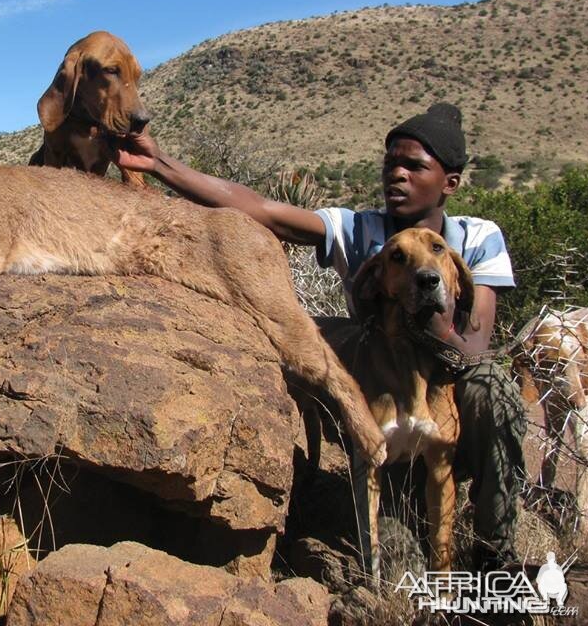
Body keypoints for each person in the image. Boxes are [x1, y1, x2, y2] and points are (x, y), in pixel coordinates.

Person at [115, 103, 525, 571]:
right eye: (390, 163)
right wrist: (158, 163)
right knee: (397, 559)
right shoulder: (360, 229)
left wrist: (425, 292)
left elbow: (473, 345)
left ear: (449, 182)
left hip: (449, 402)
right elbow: (263, 210)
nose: (397, 175)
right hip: (382, 399)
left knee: (492, 385)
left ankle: (498, 554)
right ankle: (384, 509)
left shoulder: (477, 238)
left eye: (414, 166)